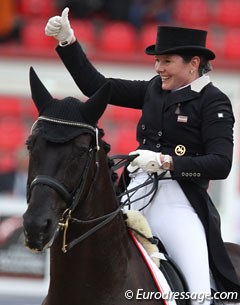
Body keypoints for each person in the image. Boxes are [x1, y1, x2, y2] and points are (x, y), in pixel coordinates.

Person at [44, 8, 240, 303]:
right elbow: (96, 86)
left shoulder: (213, 102)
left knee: (199, 292)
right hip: (132, 193)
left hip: (178, 202)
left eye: (166, 61)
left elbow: (221, 164)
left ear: (194, 63)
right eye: (157, 61)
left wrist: (168, 163)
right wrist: (68, 42)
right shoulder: (154, 90)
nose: (158, 68)